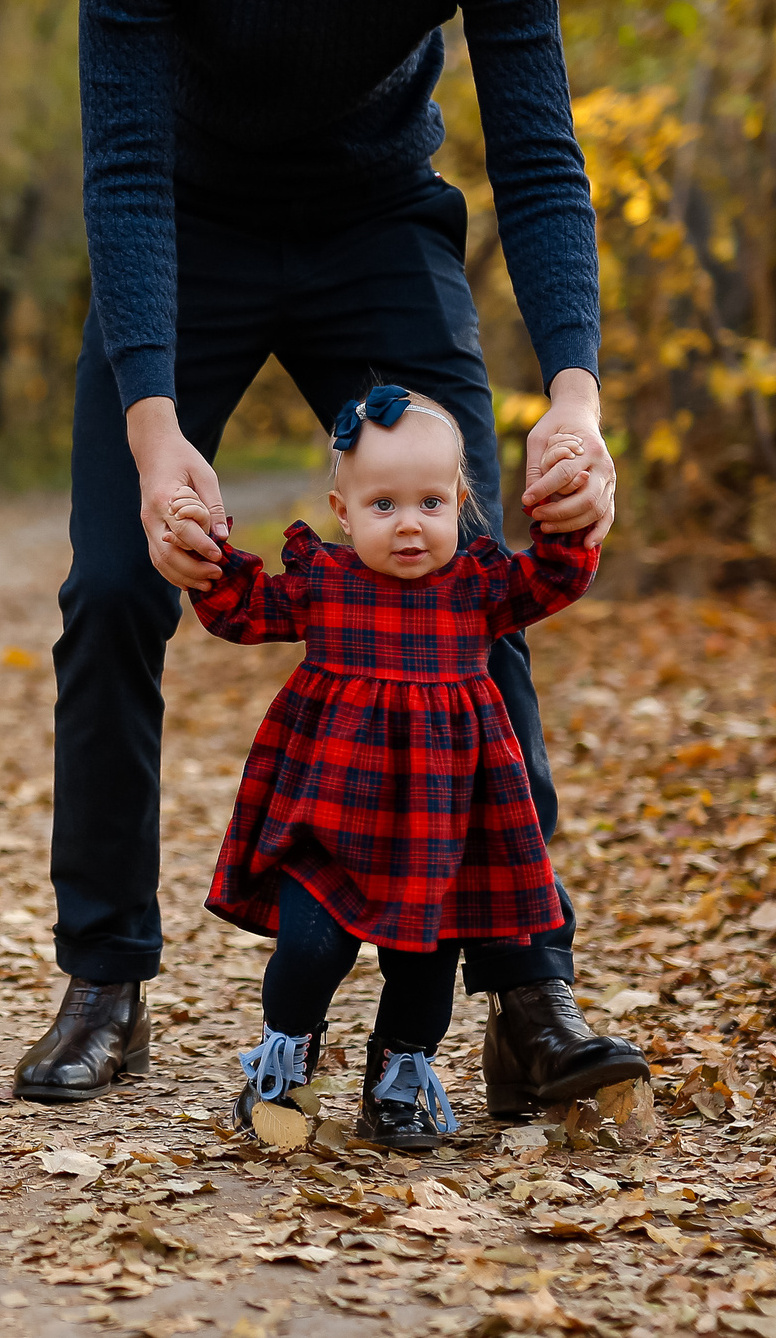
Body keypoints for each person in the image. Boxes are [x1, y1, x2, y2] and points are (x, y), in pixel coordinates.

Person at [12, 0, 649, 1116]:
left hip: (376, 226)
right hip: (188, 230)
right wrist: (159, 431)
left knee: (469, 574)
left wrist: (574, 399)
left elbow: (541, 155)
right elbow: (120, 168)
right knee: (115, 583)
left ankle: (530, 990)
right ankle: (106, 976)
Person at [181, 388, 594, 1151]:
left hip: (440, 827)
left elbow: (555, 578)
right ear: (343, 508)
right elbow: (242, 609)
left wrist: (569, 507)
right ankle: (285, 1059)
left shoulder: (476, 587)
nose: (409, 523)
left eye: (431, 501)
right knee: (308, 950)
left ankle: (398, 1079)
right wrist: (201, 544)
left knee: (424, 970)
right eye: (384, 505)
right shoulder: (325, 583)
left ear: (461, 502)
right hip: (331, 813)